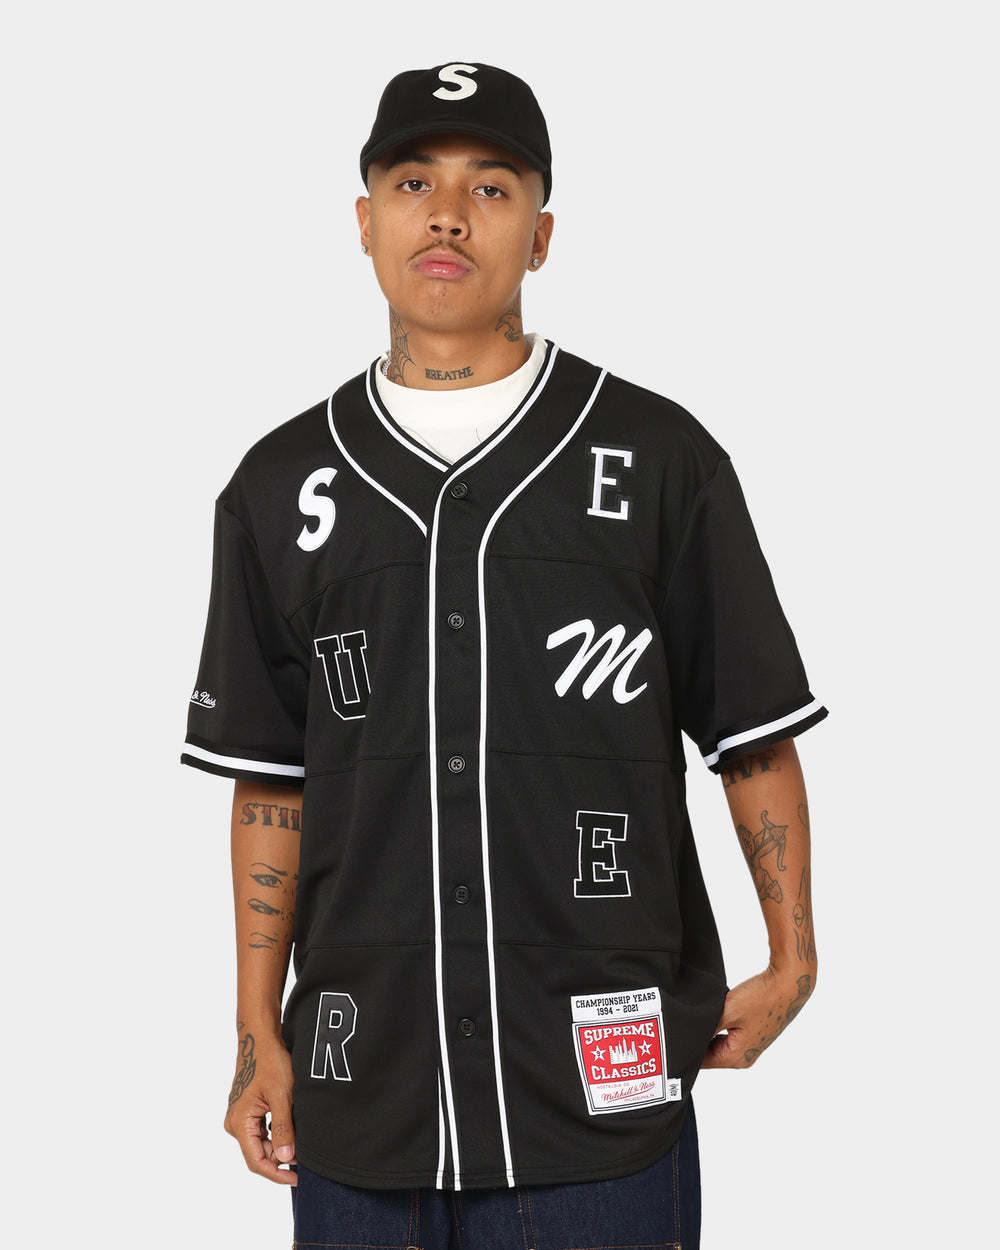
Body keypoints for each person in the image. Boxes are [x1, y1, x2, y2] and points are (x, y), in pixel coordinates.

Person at [182, 61, 826, 1249]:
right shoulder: (281, 486)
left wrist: (793, 957)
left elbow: (750, 731)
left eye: (489, 187)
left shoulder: (656, 456)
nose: (445, 214)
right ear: (363, 220)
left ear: (540, 234)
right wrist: (254, 1028)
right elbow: (273, 780)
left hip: (599, 1091)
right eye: (411, 182)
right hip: (360, 1085)